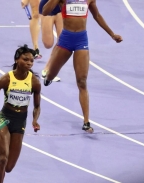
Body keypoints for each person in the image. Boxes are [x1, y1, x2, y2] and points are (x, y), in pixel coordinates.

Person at [42, 0, 123, 133]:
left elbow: (97, 16)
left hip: (81, 40)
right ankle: (49, 77)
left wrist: (112, 34)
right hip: (66, 40)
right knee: (51, 74)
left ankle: (86, 121)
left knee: (82, 81)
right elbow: (45, 11)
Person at [0, 45, 41, 183]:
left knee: (8, 167)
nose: (29, 63)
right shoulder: (5, 79)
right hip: (4, 119)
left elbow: (37, 106)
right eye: (25, 59)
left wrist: (35, 120)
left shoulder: (34, 82)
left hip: (20, 122)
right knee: (2, 160)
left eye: (31, 61)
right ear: (16, 59)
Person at [39, 0, 62, 81]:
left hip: (62, 6)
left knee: (62, 42)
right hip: (47, 6)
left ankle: (47, 70)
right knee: (48, 44)